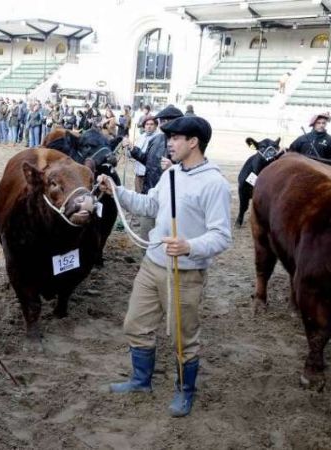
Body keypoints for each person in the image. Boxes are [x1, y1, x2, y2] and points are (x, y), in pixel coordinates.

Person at [99, 115, 232, 418]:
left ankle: (185, 391)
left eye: (175, 138)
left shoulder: (215, 184)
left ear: (193, 142)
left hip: (185, 273)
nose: (168, 143)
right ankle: (140, 380)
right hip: (152, 264)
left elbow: (222, 235)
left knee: (183, 338)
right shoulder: (172, 176)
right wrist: (116, 191)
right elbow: (149, 205)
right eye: (168, 137)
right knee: (135, 324)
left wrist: (190, 246)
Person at [127, 105, 184, 238]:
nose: (164, 124)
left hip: (171, 199)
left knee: (166, 238)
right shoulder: (155, 139)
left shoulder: (185, 143)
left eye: (167, 121)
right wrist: (132, 149)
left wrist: (173, 167)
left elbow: (191, 172)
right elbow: (146, 159)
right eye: (162, 121)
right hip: (150, 194)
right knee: (146, 235)